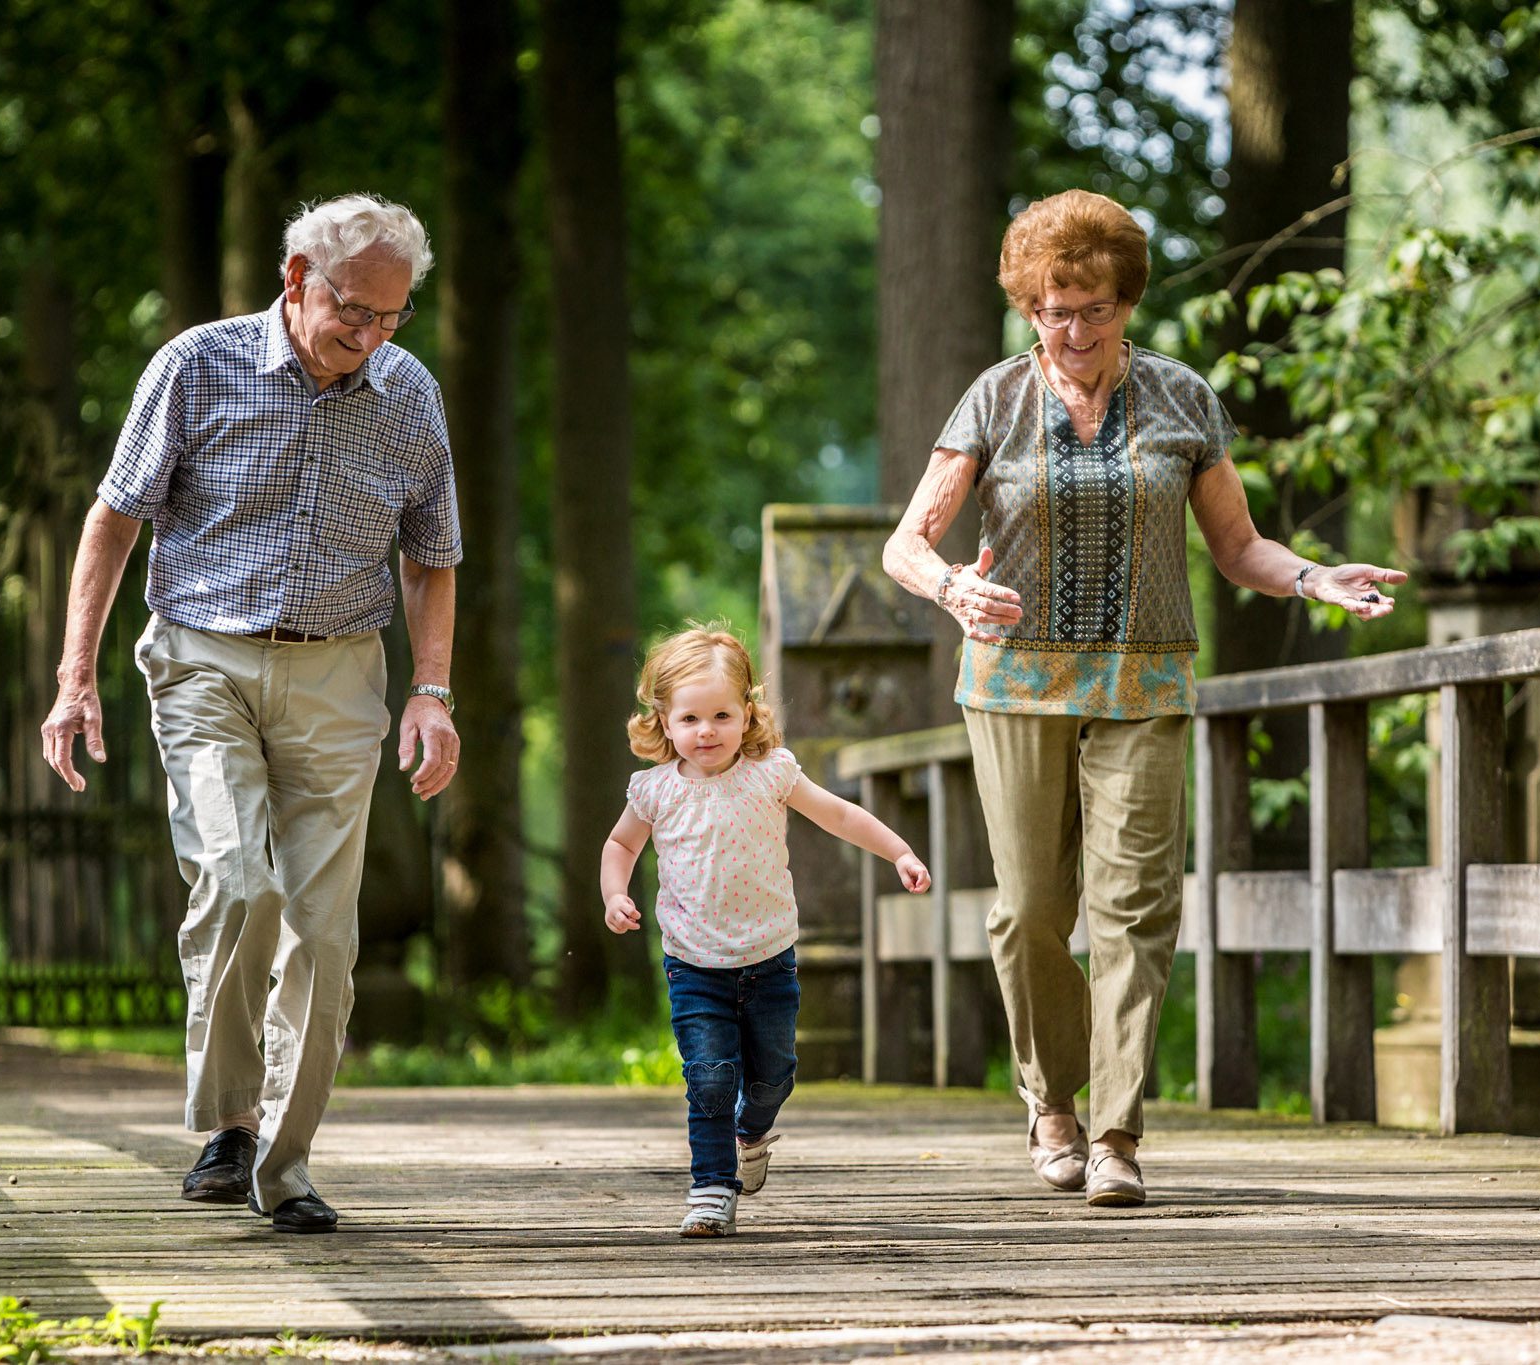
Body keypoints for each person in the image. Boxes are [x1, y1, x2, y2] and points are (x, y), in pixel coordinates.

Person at [882, 189, 1406, 1208]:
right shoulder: (991, 400)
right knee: (1032, 908)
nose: (1069, 330)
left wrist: (1313, 579)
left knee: (1134, 907)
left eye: (1089, 308)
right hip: (1014, 684)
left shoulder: (1180, 401)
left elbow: (1238, 547)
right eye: (1048, 309)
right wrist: (950, 585)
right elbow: (907, 542)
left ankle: (1115, 1129)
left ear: (1125, 301)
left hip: (1144, 678)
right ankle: (1051, 1105)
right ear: (1026, 307)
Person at [39, 194, 463, 1235]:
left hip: (340, 673)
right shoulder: (196, 364)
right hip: (204, 659)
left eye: (389, 318)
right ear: (294, 281)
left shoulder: (408, 397)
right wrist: (74, 677)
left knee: (323, 933)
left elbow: (431, 556)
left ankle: (286, 1159)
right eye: (351, 312)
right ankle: (229, 1118)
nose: (367, 338)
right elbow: (113, 521)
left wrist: (432, 689)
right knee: (238, 877)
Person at [601, 627, 932, 1237]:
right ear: (664, 723)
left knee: (773, 1073)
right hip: (694, 963)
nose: (708, 731)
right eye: (691, 718)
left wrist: (899, 851)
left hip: (769, 956)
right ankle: (710, 1190)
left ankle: (752, 1132)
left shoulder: (771, 772)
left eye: (723, 715)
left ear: (748, 714)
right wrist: (615, 893)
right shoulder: (654, 791)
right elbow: (621, 844)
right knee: (708, 1076)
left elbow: (837, 813)